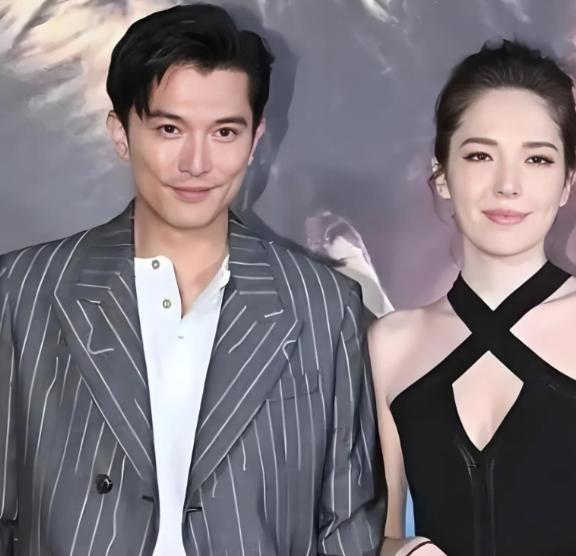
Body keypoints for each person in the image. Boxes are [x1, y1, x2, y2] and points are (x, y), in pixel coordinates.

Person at [0, 4, 383, 554]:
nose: (196, 162)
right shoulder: (24, 292)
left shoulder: (322, 305)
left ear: (255, 139)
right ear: (120, 133)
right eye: (169, 129)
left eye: (224, 131)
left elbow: (345, 528)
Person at [369, 40, 576, 556]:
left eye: (537, 159)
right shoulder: (391, 343)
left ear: (567, 180)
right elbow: (375, 534)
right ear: (441, 174)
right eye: (480, 155)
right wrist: (406, 551)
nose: (508, 185)